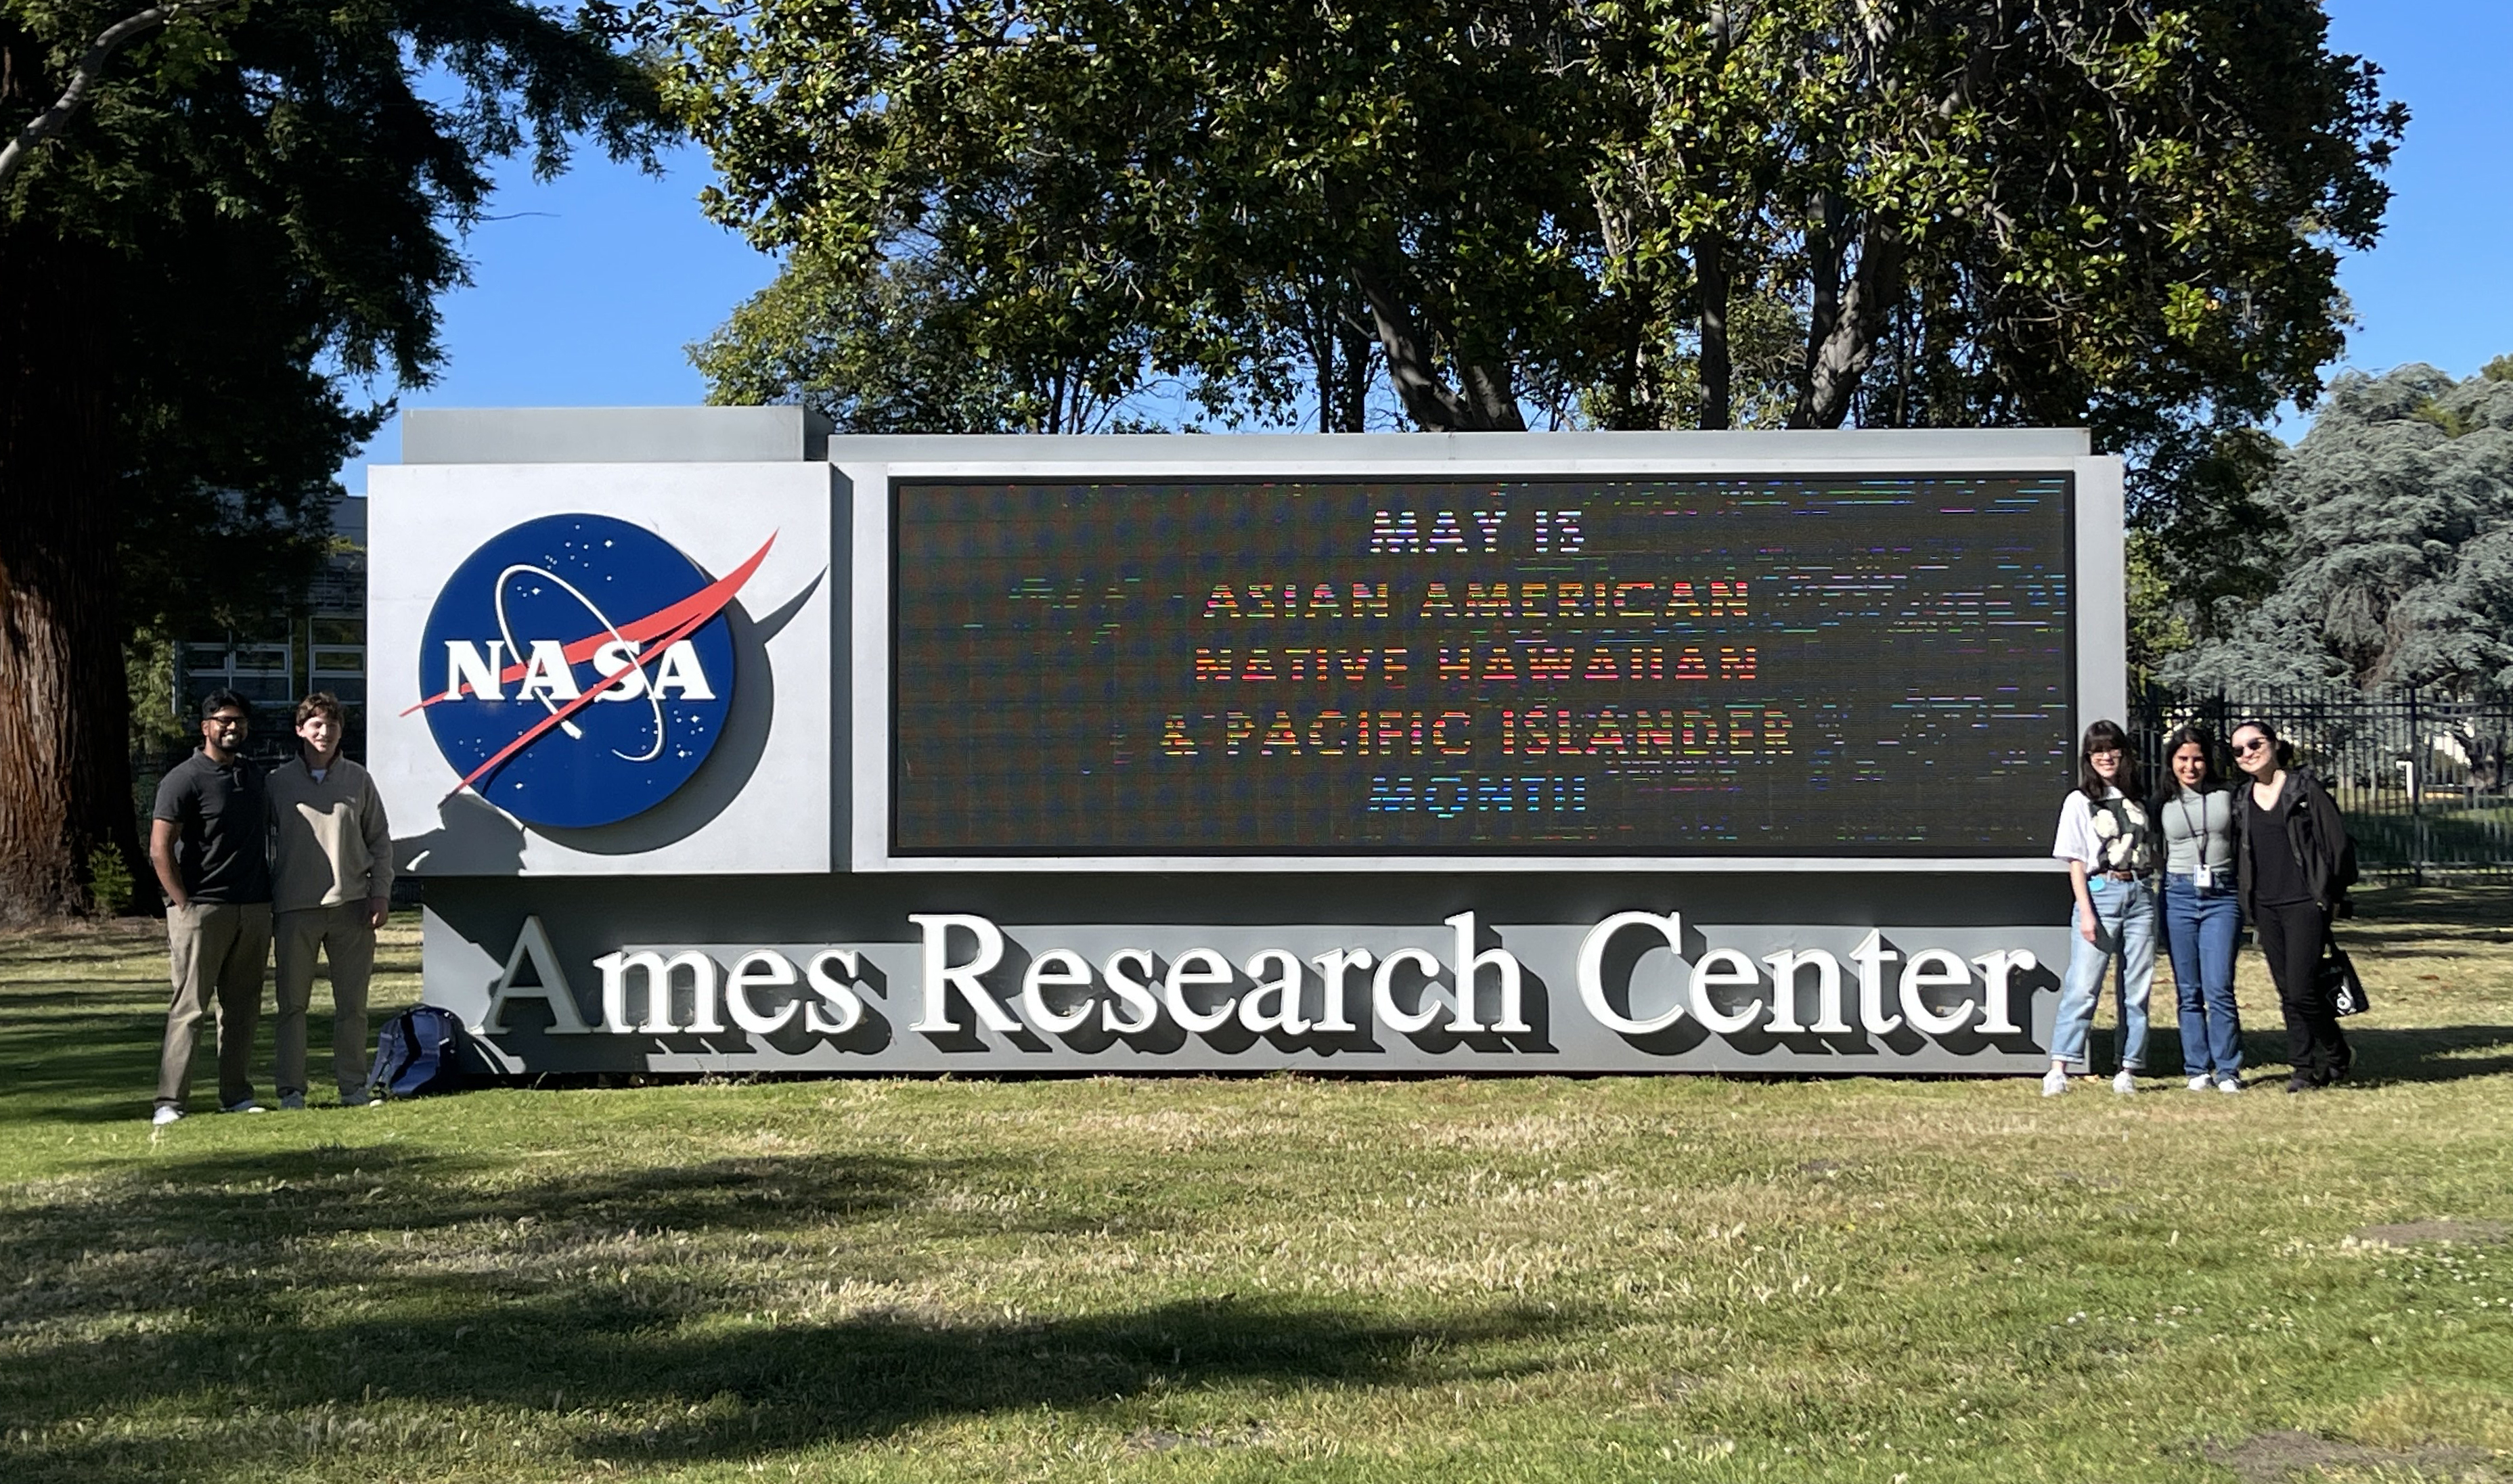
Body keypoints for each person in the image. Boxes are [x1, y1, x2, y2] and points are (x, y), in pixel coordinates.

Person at [147, 690, 273, 1124]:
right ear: (206, 727)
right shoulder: (183, 779)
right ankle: (170, 1101)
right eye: (223, 720)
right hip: (202, 909)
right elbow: (160, 848)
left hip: (254, 907)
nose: (232, 727)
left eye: (238, 720)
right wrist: (181, 903)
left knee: (242, 1009)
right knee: (190, 1007)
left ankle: (236, 1095)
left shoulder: (254, 776)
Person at [267, 692, 395, 1109]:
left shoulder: (359, 780)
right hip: (293, 907)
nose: (325, 733)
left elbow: (379, 841)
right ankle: (291, 1090)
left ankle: (353, 1087)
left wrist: (380, 893)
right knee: (292, 1006)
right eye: (317, 725)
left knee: (353, 1006)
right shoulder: (277, 783)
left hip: (352, 905)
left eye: (333, 726)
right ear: (301, 730)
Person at [2229, 718, 2357, 1092]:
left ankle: (2337, 1054)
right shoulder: (2242, 799)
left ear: (2273, 744)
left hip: (2305, 902)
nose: (2248, 754)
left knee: (2303, 989)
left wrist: (2333, 895)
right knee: (2288, 992)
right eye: (2238, 750)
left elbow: (2337, 844)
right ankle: (2302, 1069)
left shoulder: (2304, 789)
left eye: (2254, 744)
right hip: (2266, 906)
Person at [2043, 719, 2157, 1097]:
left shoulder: (2138, 797)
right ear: (2087, 758)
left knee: (2136, 988)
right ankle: (2059, 1067)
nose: (2105, 757)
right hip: (2101, 893)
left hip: (2140, 894)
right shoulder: (2079, 801)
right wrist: (2086, 911)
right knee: (2083, 986)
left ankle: (2128, 1068)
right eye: (2096, 751)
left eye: (2111, 749)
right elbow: (2076, 861)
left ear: (2123, 753)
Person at [2152, 725, 2244, 1092]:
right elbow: (2150, 848)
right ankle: (2196, 1069)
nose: (2191, 767)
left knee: (2219, 985)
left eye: (2198, 759)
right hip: (2178, 895)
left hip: (2222, 896)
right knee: (2188, 989)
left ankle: (2228, 1070)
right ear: (2171, 762)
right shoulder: (2162, 802)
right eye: (2183, 759)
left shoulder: (2228, 796)